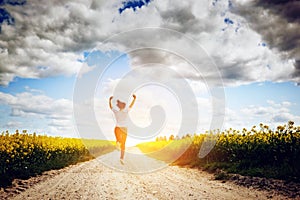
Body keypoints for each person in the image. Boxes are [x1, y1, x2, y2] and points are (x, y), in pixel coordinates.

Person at [109, 94, 136, 165]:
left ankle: (118, 142)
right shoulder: (126, 111)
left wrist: (109, 100)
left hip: (118, 128)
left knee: (117, 134)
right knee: (123, 144)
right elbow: (131, 105)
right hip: (124, 129)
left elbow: (110, 107)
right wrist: (134, 99)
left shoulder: (116, 111)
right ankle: (122, 158)